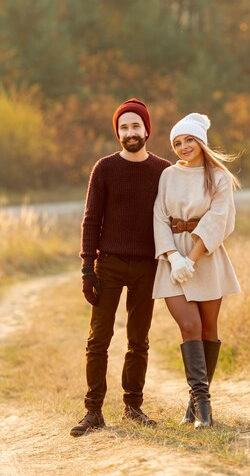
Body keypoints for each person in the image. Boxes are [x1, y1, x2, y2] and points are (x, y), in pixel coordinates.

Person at [70, 98, 170, 437]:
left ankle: (133, 407)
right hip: (109, 264)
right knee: (98, 339)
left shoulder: (163, 170)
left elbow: (173, 215)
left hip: (147, 266)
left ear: (147, 130)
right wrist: (88, 269)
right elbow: (90, 220)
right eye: (124, 127)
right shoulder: (104, 169)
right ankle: (93, 411)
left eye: (135, 125)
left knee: (138, 340)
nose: (130, 132)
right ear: (118, 132)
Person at [152, 113, 240, 429]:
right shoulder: (168, 176)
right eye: (177, 142)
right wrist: (175, 258)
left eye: (189, 139)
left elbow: (219, 218)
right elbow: (159, 216)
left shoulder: (218, 177)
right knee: (189, 325)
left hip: (206, 257)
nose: (183, 146)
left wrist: (193, 257)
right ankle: (204, 405)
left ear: (201, 141)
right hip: (171, 260)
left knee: (207, 329)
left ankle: (196, 405)